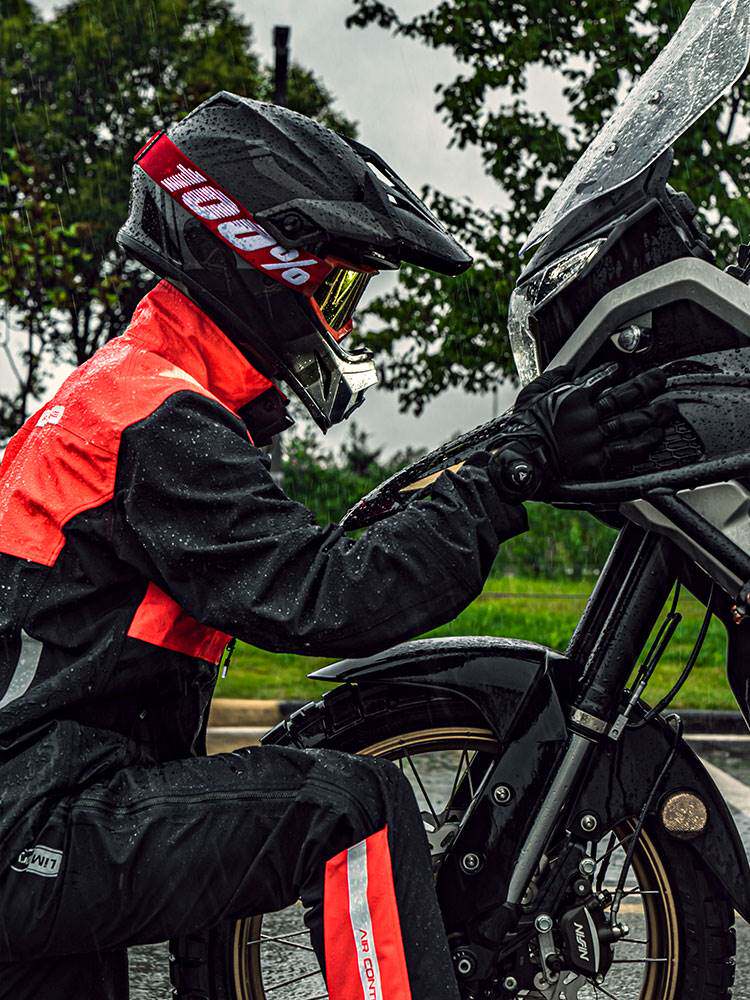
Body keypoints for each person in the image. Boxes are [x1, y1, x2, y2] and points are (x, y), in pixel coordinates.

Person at [0, 93, 672, 1000]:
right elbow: (329, 595)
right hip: (39, 827)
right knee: (358, 808)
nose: (340, 322)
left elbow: (319, 555)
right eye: (336, 290)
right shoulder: (158, 421)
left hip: (40, 816)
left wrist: (507, 455)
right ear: (256, 259)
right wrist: (515, 470)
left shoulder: (129, 396)